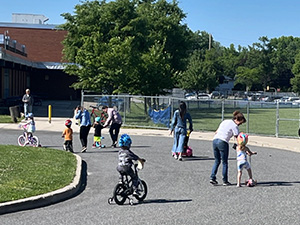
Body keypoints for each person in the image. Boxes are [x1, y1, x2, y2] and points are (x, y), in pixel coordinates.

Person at [210, 110, 246, 186]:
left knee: (217, 160)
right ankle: (225, 180)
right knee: (224, 162)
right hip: (223, 142)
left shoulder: (225, 121)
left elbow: (216, 131)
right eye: (241, 123)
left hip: (215, 140)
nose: (240, 124)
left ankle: (212, 177)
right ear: (238, 120)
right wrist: (240, 146)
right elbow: (238, 138)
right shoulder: (235, 126)